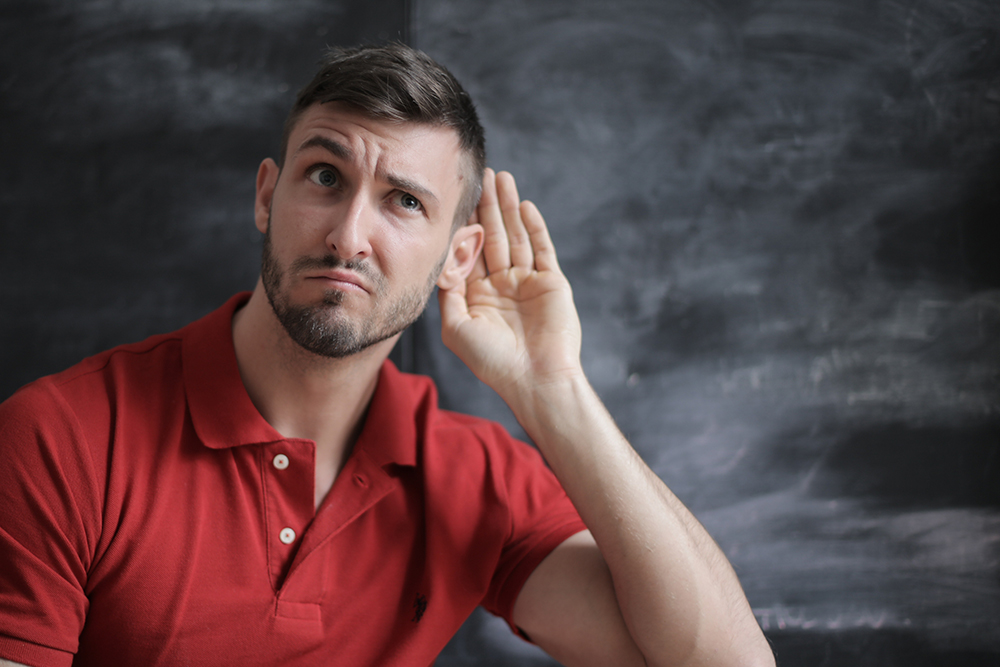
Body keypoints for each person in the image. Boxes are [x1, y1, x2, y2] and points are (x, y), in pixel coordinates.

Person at [0, 43, 774, 667]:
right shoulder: (58, 437)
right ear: (267, 197)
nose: (347, 236)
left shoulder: (474, 478)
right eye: (325, 177)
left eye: (404, 201)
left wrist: (554, 388)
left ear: (456, 255)